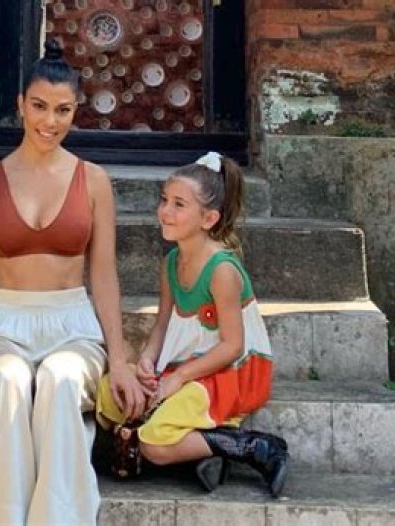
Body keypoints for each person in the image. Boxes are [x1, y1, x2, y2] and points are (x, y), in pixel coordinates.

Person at [0, 39, 145, 526]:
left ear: (75, 111)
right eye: (38, 106)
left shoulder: (93, 181)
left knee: (59, 378)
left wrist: (119, 359)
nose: (49, 121)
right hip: (1, 327)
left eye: (62, 110)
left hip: (73, 327)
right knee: (11, 379)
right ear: (20, 104)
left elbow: (104, 275)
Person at [96, 152, 290, 497]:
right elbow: (162, 324)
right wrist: (148, 361)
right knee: (110, 393)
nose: (165, 211)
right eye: (164, 200)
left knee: (154, 441)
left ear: (209, 218)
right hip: (186, 365)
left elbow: (232, 346)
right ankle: (199, 456)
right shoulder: (172, 262)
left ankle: (251, 446)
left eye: (179, 205)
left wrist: (179, 378)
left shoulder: (222, 270)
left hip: (230, 372)